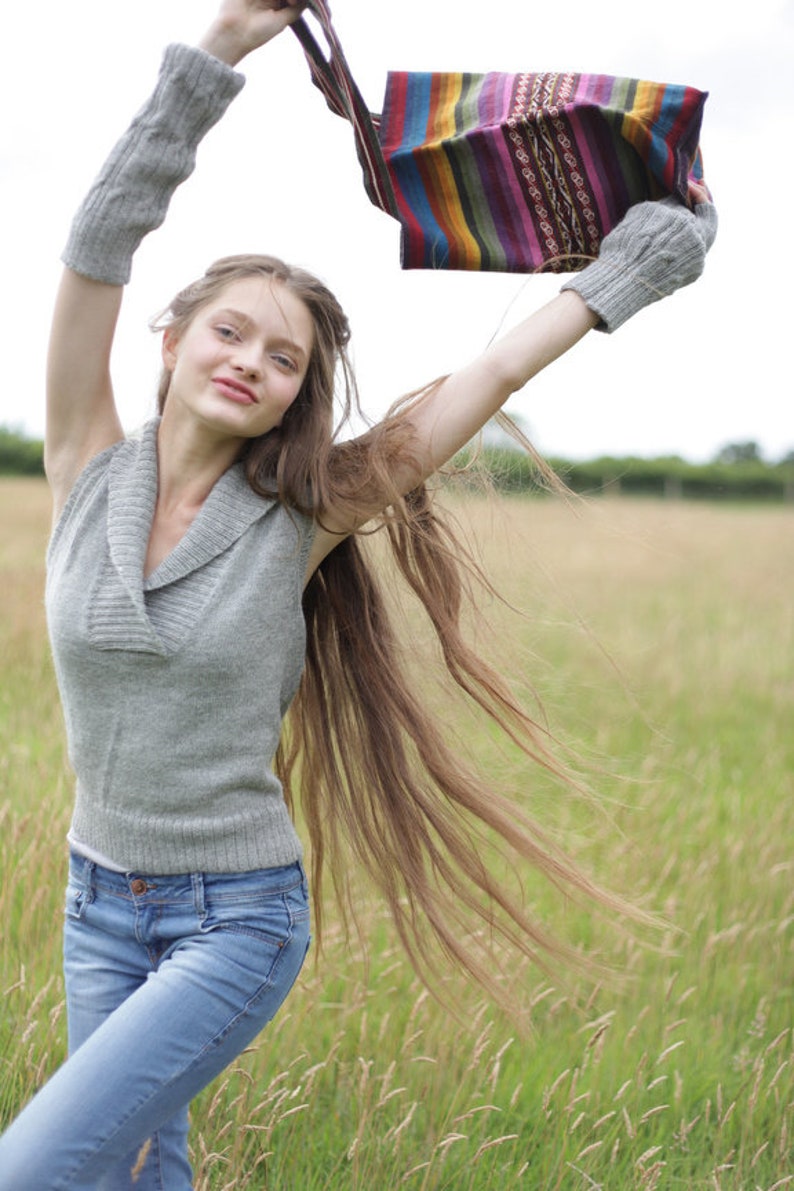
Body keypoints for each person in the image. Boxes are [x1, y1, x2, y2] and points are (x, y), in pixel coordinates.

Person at [0, 0, 717, 1186]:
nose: (253, 362)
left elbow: (484, 372)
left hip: (233, 922)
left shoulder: (302, 518)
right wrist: (223, 45)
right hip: (96, 907)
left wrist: (623, 272)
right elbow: (98, 242)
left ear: (294, 397)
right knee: (130, 1174)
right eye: (230, 332)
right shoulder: (83, 465)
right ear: (170, 342)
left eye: (284, 360)